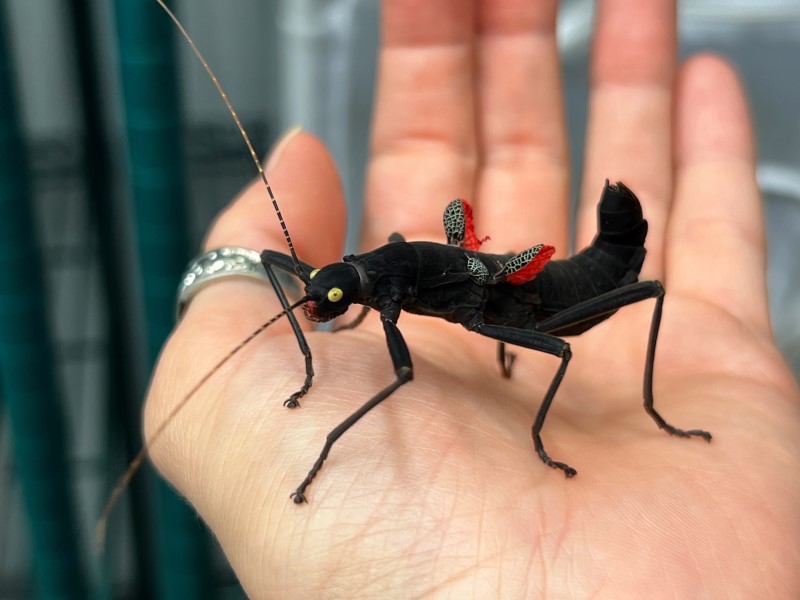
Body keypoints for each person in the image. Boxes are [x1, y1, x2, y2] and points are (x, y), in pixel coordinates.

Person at [145, 0, 800, 596]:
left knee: (635, 296)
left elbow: (413, 370)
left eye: (332, 301)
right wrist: (312, 352)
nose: (320, 305)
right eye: (327, 299)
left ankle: (649, 413)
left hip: (564, 293)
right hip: (482, 293)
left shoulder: (393, 287)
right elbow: (270, 258)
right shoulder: (373, 279)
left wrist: (323, 452)